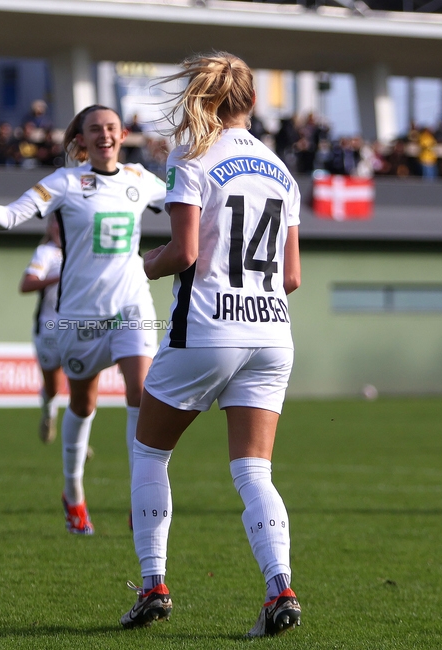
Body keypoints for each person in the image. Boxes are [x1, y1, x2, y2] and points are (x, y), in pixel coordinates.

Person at [119, 52, 302, 638]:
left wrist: (137, 265)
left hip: (207, 329)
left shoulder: (192, 157)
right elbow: (292, 276)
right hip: (272, 331)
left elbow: (183, 253)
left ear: (204, 97)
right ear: (252, 101)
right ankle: (281, 590)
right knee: (254, 470)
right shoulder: (282, 169)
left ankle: (153, 585)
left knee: (150, 453)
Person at [0, 104, 166, 535]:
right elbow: (10, 216)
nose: (104, 135)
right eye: (94, 129)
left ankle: (141, 498)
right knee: (83, 404)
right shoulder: (66, 182)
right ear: (80, 139)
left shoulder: (142, 180)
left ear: (123, 135)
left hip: (131, 307)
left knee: (142, 397)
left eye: (111, 128)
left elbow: (188, 203)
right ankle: (73, 494)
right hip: (79, 316)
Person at [19, 215, 65, 443]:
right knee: (53, 388)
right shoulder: (46, 253)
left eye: (62, 219)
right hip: (49, 328)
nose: (57, 225)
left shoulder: (84, 250)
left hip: (78, 327)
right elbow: (26, 285)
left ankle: (76, 443)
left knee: (82, 390)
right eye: (54, 221)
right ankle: (49, 413)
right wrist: (58, 277)